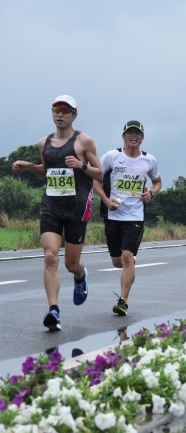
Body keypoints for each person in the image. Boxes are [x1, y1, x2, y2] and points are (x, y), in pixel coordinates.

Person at [12, 95, 102, 331]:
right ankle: (54, 310)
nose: (60, 114)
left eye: (65, 110)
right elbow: (46, 169)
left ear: (74, 115)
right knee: (51, 256)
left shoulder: (84, 142)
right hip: (51, 204)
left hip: (77, 208)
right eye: (56, 109)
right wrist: (30, 167)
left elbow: (100, 174)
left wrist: (81, 166)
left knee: (71, 265)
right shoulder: (44, 143)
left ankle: (81, 275)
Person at [93, 120, 161, 316]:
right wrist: (106, 200)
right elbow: (94, 179)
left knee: (126, 256)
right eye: (130, 133)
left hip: (135, 215)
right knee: (117, 261)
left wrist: (152, 194)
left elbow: (157, 182)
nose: (134, 136)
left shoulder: (149, 160)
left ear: (142, 138)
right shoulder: (111, 156)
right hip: (113, 214)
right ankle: (129, 263)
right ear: (123, 136)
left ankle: (123, 300)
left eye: (137, 134)